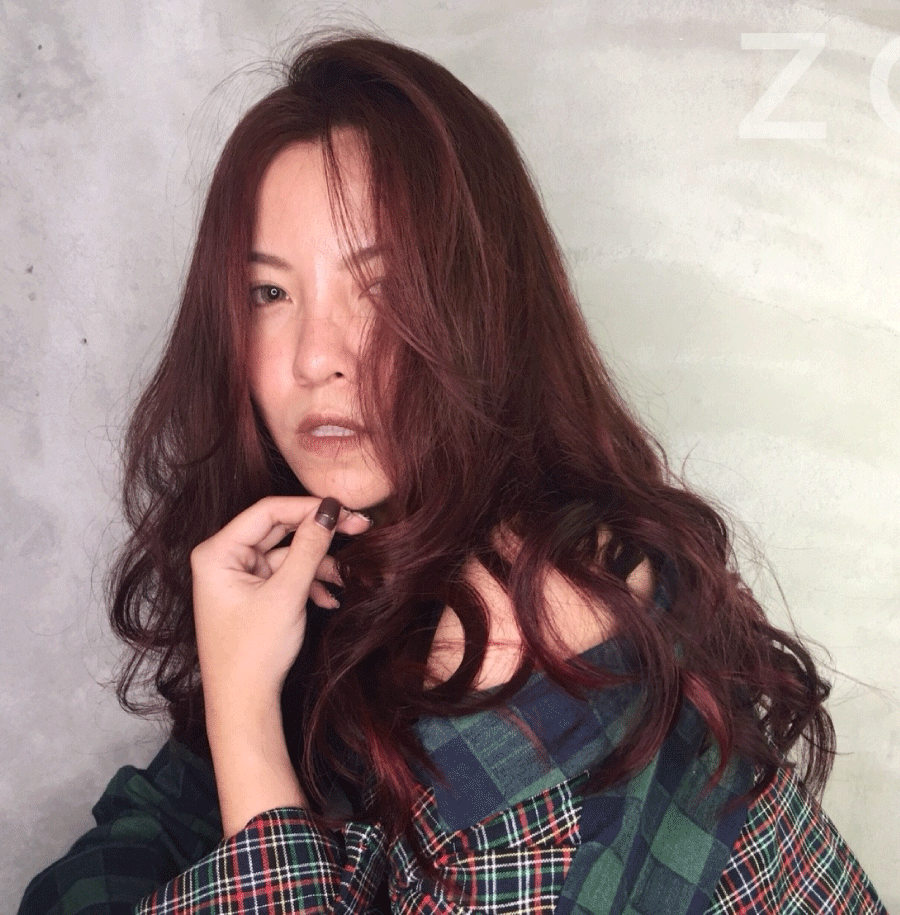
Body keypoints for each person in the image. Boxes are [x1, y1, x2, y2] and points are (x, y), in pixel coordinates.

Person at [18, 32, 888, 915]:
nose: (316, 356)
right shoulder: (356, 552)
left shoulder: (536, 605)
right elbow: (134, 839)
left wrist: (243, 712)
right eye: (269, 294)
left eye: (382, 289)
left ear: (483, 309)